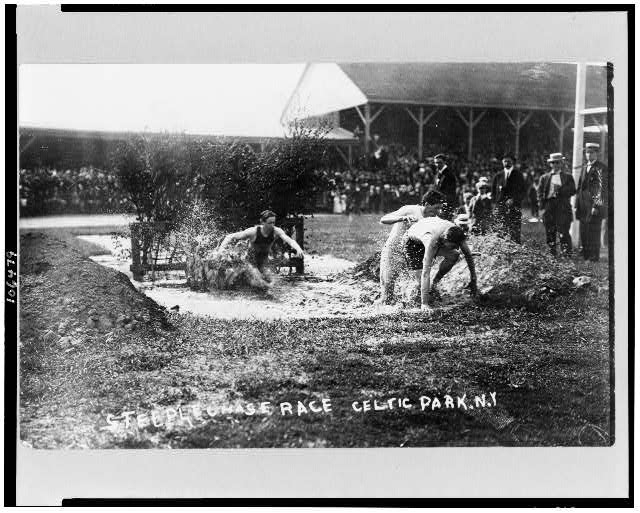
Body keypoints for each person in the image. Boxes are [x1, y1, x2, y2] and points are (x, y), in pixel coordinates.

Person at [376, 190, 445, 305]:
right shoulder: (410, 209)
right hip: (394, 252)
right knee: (387, 296)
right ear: (427, 204)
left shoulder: (433, 219)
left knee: (419, 289)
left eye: (440, 208)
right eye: (437, 208)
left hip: (412, 255)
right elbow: (384, 219)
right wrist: (402, 218)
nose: (439, 212)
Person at [403, 217, 478, 314]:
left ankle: (435, 283)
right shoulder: (431, 242)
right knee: (420, 284)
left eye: (458, 246)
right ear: (446, 240)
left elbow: (468, 255)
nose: (457, 248)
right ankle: (412, 297)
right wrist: (424, 304)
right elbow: (426, 273)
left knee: (454, 254)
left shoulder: (456, 233)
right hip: (412, 243)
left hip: (434, 233)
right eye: (453, 246)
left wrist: (473, 280)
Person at [217, 210, 304, 286]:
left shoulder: (276, 231)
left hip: (263, 262)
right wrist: (220, 251)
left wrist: (298, 248)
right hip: (250, 262)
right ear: (262, 222)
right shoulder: (253, 232)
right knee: (260, 282)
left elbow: (290, 240)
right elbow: (229, 237)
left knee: (272, 280)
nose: (272, 225)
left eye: (274, 222)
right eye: (269, 223)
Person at [538, 153, 576, 256]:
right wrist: (542, 207)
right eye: (553, 163)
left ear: (561, 163)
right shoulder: (544, 177)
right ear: (550, 164)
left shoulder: (567, 177)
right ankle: (552, 253)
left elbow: (573, 190)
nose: (556, 165)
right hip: (549, 206)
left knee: (563, 231)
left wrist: (561, 190)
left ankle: (566, 253)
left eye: (558, 163)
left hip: (562, 206)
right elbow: (540, 193)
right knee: (550, 231)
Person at [575, 143, 608, 262]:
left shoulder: (601, 168)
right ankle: (586, 255)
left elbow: (602, 189)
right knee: (584, 230)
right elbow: (579, 188)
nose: (589, 155)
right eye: (587, 152)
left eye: (592, 152)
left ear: (597, 154)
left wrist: (596, 206)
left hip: (594, 205)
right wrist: (576, 205)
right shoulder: (585, 167)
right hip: (583, 204)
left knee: (593, 231)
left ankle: (594, 257)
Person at [491, 154, 527, 243]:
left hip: (514, 208)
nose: (507, 163)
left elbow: (523, 192)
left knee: (514, 231)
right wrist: (496, 205)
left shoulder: (518, 175)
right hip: (501, 208)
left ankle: (515, 250)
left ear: (513, 162)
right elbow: (493, 193)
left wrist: (514, 199)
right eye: (505, 161)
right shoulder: (498, 176)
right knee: (500, 231)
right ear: (502, 162)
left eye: (509, 161)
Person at [431, 153, 458, 220]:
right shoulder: (438, 173)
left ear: (445, 162)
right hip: (438, 204)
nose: (437, 165)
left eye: (439, 162)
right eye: (436, 163)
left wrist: (444, 205)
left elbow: (450, 192)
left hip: (446, 205)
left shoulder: (449, 175)